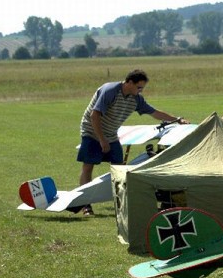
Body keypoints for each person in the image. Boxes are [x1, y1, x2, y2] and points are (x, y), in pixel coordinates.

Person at [77, 69, 189, 216]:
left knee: (119, 169)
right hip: (92, 131)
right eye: (139, 87)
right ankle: (86, 205)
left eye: (142, 88)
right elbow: (94, 115)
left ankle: (120, 203)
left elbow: (154, 113)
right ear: (129, 82)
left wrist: (177, 120)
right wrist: (102, 140)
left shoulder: (136, 99)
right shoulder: (110, 91)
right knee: (88, 167)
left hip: (111, 134)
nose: (140, 90)